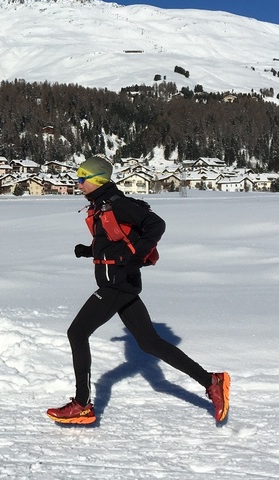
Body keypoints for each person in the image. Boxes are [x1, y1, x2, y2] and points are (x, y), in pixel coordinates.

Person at [46, 156, 230, 425]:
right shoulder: (102, 206)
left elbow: (156, 225)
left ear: (97, 179)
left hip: (117, 284)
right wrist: (90, 251)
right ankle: (212, 381)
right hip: (121, 283)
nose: (78, 184)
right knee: (149, 343)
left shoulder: (119, 205)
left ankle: (83, 404)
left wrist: (135, 259)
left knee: (77, 332)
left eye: (82, 179)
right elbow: (115, 240)